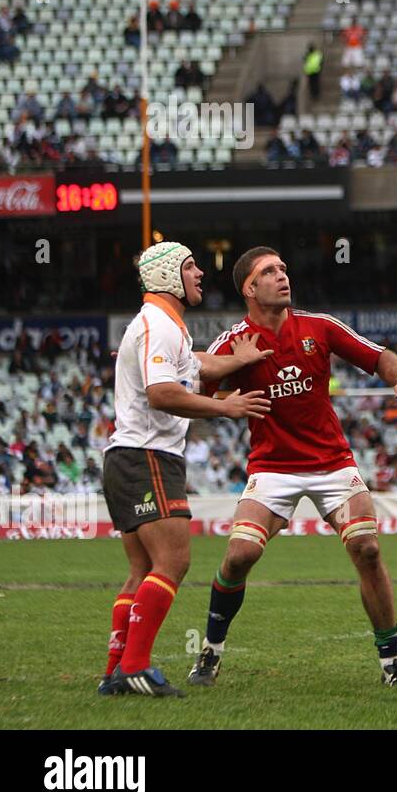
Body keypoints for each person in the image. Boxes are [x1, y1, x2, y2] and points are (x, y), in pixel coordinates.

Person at [187, 246, 397, 688]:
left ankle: (391, 661)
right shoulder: (235, 341)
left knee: (368, 551)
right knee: (240, 555)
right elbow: (196, 379)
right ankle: (210, 651)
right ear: (249, 287)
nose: (283, 276)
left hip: (333, 463)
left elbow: (378, 357)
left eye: (283, 267)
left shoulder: (319, 327)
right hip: (272, 467)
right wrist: (228, 393)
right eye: (270, 271)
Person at [99, 241, 271, 697]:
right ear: (166, 276)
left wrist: (241, 359)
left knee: (141, 569)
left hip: (127, 456)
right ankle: (135, 667)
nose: (200, 274)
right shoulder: (160, 323)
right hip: (148, 456)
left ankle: (116, 670)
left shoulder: (162, 322)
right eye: (190, 266)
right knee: (174, 560)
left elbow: (197, 365)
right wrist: (227, 408)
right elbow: (162, 393)